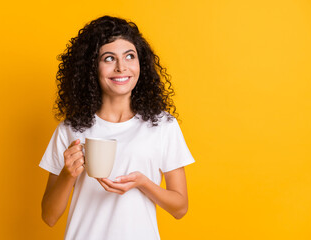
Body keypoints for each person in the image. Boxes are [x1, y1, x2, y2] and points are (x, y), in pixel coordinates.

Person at [39, 15, 195, 240]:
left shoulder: (163, 125)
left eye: (129, 56)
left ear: (140, 62)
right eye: (109, 58)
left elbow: (180, 208)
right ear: (92, 68)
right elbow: (49, 216)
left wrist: (143, 183)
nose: (121, 67)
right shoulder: (70, 129)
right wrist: (68, 174)